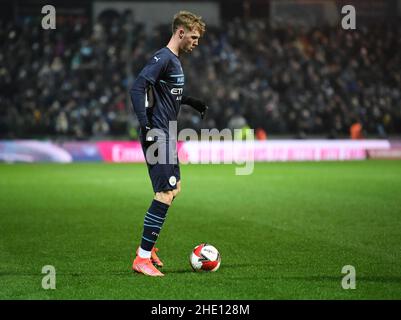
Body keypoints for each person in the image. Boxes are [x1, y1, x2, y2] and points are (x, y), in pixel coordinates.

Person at [129, 11, 207, 276]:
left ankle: (149, 250)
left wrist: (189, 101)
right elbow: (137, 88)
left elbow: (168, 94)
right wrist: (146, 125)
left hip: (167, 133)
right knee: (164, 193)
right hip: (157, 133)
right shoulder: (163, 58)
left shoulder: (174, 60)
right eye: (194, 37)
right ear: (180, 32)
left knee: (174, 190)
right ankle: (141, 259)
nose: (197, 42)